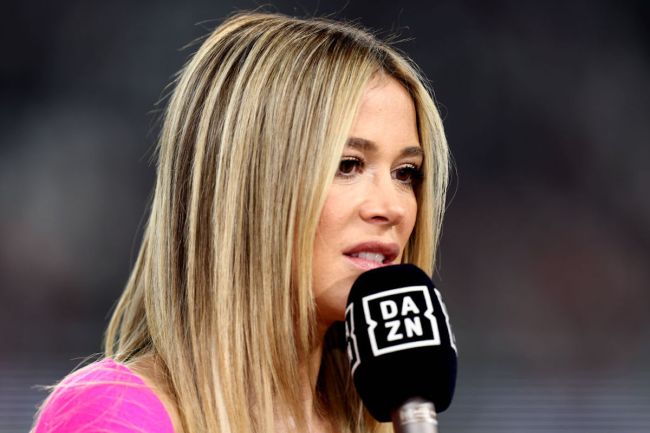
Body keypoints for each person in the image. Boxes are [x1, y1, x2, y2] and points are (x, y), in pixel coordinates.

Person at [31, 10, 450, 433]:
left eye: (406, 173)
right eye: (348, 165)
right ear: (248, 185)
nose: (393, 208)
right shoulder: (113, 415)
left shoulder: (389, 417)